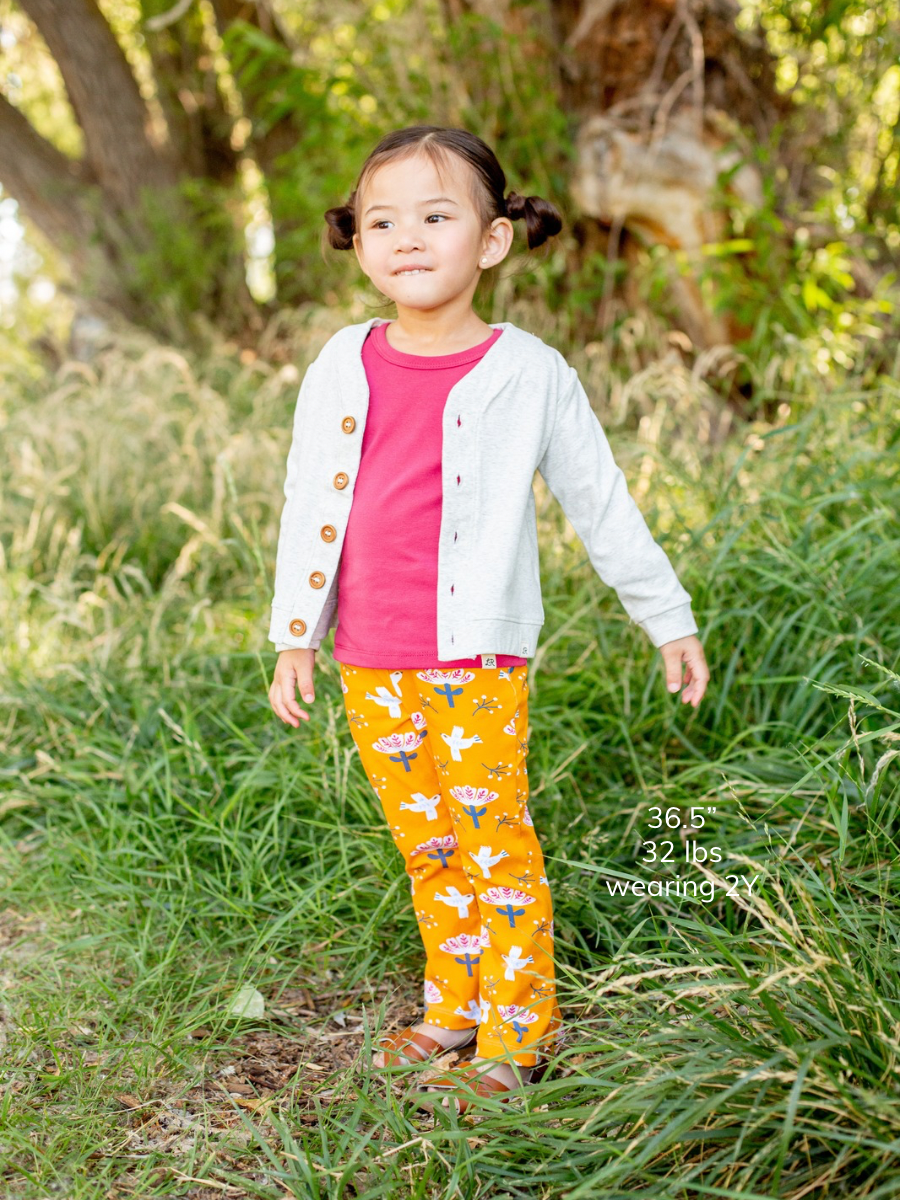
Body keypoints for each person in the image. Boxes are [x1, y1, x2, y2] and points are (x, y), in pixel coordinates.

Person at [267, 125, 710, 1114]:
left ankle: (523, 1019)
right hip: (366, 657)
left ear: (492, 242)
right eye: (383, 219)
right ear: (359, 240)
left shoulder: (532, 374)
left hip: (473, 657)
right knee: (425, 841)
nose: (408, 237)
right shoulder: (343, 362)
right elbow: (311, 501)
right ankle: (454, 1000)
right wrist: (295, 631)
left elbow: (604, 504)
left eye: (436, 215)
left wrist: (667, 617)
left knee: (491, 835)